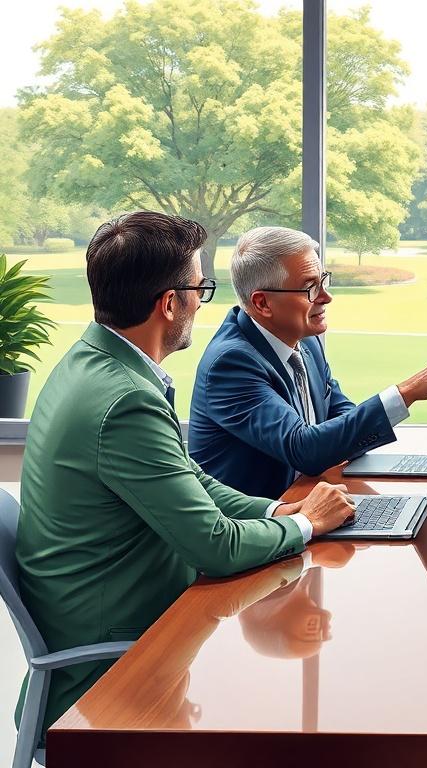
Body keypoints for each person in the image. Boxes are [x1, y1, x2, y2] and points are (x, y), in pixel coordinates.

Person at [15, 212, 355, 737]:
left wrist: (276, 510)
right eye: (201, 288)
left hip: (145, 624)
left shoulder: (93, 363)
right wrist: (306, 526)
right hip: (119, 665)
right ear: (170, 303)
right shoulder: (124, 400)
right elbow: (214, 546)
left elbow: (187, 476)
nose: (203, 302)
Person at [188, 226, 427, 498]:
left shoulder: (306, 340)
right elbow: (304, 449)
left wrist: (342, 439)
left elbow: (341, 417)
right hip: (253, 536)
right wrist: (408, 392)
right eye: (310, 287)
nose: (327, 297)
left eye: (323, 281)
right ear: (262, 303)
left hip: (304, 505)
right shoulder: (231, 364)